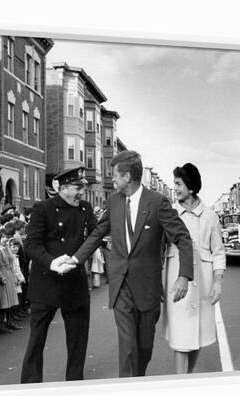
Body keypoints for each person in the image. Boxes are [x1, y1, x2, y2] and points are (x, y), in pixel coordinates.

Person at [68, 151, 194, 377]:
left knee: (144, 348)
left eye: (115, 175)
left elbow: (183, 238)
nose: (112, 179)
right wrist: (75, 259)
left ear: (127, 176)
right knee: (127, 347)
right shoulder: (114, 201)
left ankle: (138, 380)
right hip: (121, 286)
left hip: (147, 289)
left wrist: (184, 275)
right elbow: (98, 234)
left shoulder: (157, 203)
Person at [20, 166, 97, 383]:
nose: (81, 192)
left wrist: (76, 260)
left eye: (82, 187)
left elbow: (95, 236)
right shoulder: (43, 208)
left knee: (78, 341)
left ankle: (74, 385)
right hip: (46, 283)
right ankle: (30, 388)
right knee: (36, 341)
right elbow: (31, 244)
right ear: (62, 188)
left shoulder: (85, 209)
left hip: (75, 283)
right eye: (77, 187)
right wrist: (52, 262)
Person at [162, 163, 226, 374]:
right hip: (177, 281)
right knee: (181, 337)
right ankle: (182, 382)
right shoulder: (170, 213)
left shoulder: (210, 216)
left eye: (178, 184)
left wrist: (217, 282)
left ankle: (187, 377)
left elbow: (218, 252)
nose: (175, 188)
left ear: (190, 187)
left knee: (198, 337)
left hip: (204, 284)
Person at [0, 227, 21, 333]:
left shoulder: (5, 248)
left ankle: (9, 322)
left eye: (5, 237)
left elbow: (11, 260)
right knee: (2, 301)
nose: (4, 239)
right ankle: (1, 325)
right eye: (2, 237)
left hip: (9, 274)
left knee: (10, 300)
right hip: (2, 275)